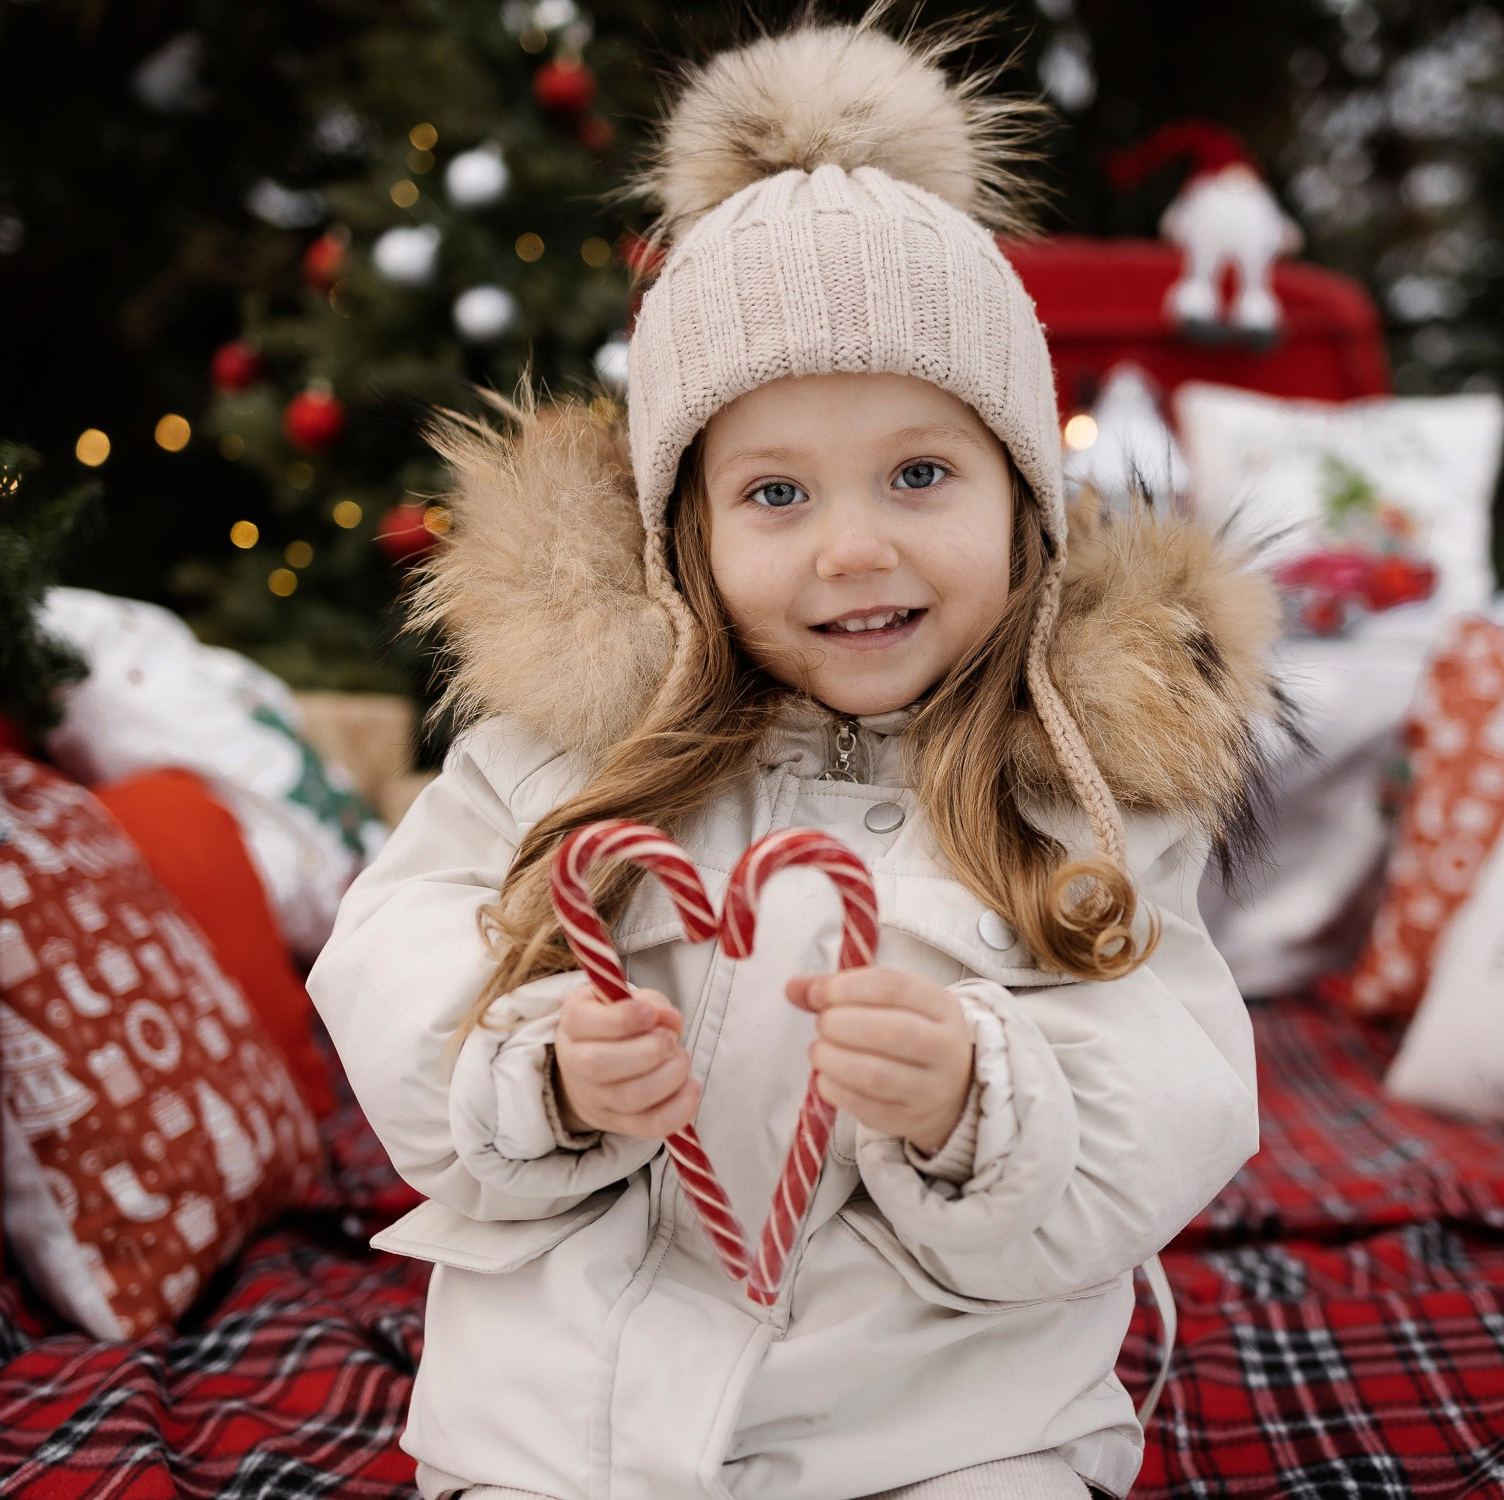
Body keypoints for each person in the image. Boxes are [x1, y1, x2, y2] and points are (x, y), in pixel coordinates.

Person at [309, 16, 1284, 1500]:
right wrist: (543, 1076)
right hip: (573, 1429)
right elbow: (393, 960)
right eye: (776, 493)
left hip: (947, 1425)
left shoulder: (1083, 795)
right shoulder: (560, 762)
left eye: (919, 473)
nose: (852, 547)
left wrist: (977, 1100)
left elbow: (1179, 1082)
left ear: (1024, 499)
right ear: (684, 534)